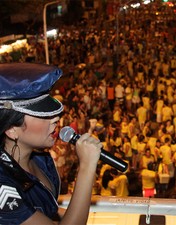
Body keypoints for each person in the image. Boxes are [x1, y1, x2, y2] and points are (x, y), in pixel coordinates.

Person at [0, 63, 102, 224]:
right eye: (42, 115)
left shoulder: (42, 159)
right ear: (12, 129)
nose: (55, 118)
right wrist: (86, 167)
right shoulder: (2, 187)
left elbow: (46, 208)